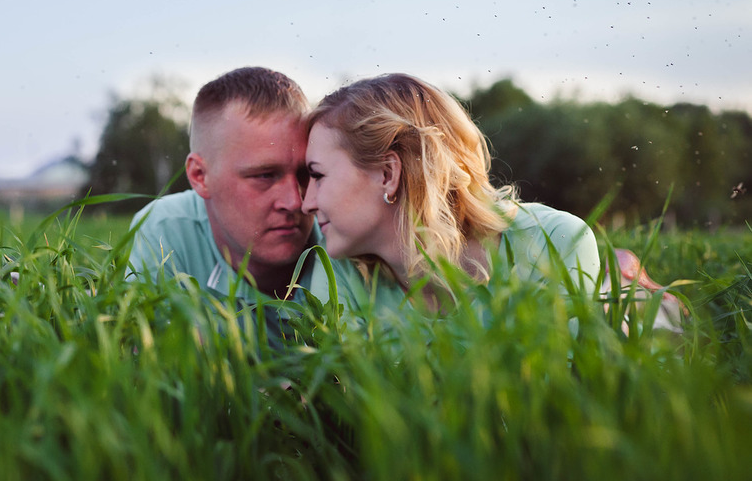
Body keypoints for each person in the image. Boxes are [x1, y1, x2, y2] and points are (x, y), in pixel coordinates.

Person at [301, 73, 601, 312]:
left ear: (388, 174)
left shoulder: (554, 243)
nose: (306, 203)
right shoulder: (340, 268)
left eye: (317, 176)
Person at [129, 66, 354, 340]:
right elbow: (140, 362)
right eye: (264, 176)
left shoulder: (345, 235)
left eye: (306, 173)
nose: (297, 201)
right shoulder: (167, 230)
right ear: (200, 176)